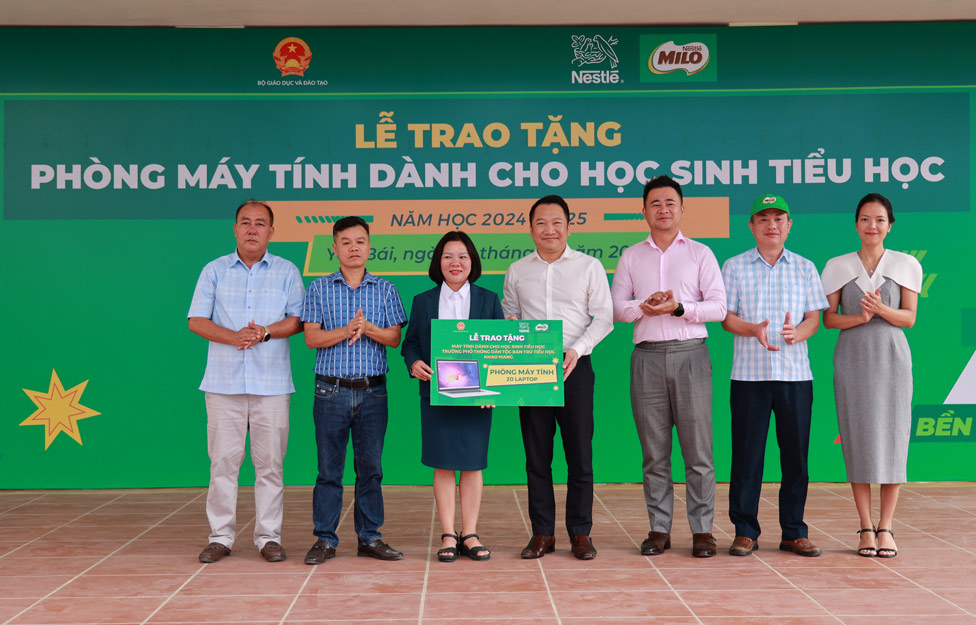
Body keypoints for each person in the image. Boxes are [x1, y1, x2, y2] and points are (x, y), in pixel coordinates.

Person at [610, 176, 727, 558]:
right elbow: (615, 307)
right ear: (644, 211)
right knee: (654, 453)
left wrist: (678, 308)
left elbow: (718, 307)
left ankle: (702, 530)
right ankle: (659, 528)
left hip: (691, 354)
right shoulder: (631, 256)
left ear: (681, 209)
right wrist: (642, 306)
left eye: (670, 203)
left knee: (698, 451)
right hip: (646, 358)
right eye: (655, 203)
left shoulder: (699, 254)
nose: (663, 209)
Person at [188, 200, 305, 564]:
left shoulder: (287, 271)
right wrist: (234, 336)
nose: (252, 229)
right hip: (223, 384)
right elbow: (196, 320)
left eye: (260, 223)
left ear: (272, 231)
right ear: (235, 229)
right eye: (245, 223)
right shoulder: (214, 271)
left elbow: (299, 320)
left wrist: (266, 332)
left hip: (272, 385)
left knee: (270, 465)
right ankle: (221, 537)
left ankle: (268, 537)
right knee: (223, 463)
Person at [502, 195, 613, 561]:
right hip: (531, 369)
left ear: (569, 226)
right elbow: (510, 316)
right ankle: (542, 533)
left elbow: (604, 318)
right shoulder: (517, 270)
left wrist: (576, 350)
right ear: (530, 227)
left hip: (575, 367)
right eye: (541, 223)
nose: (549, 229)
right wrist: (521, 340)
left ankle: (580, 533)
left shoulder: (589, 266)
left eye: (556, 222)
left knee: (580, 456)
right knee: (537, 457)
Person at [720, 193, 828, 558]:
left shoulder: (805, 267)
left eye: (778, 218)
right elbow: (726, 318)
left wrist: (801, 332)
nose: (771, 225)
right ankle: (745, 530)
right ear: (751, 226)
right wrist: (752, 329)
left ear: (789, 225)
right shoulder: (734, 266)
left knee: (795, 456)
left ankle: (794, 531)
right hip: (748, 376)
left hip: (795, 374)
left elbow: (815, 318)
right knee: (747, 456)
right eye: (763, 219)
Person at [301, 216, 408, 564]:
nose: (353, 248)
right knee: (328, 471)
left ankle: (370, 537)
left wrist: (369, 328)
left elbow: (394, 338)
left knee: (371, 469)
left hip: (373, 393)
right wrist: (347, 330)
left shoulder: (386, 288)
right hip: (330, 391)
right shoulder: (318, 288)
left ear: (369, 246)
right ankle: (325, 540)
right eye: (345, 242)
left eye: (360, 241)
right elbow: (311, 338)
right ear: (334, 248)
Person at [821, 193, 921, 559]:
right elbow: (828, 319)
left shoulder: (906, 264)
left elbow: (909, 318)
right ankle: (865, 526)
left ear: (889, 225)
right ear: (856, 224)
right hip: (852, 358)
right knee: (859, 439)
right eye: (865, 219)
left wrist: (881, 310)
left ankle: (887, 527)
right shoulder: (837, 266)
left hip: (893, 358)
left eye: (879, 219)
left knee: (894, 440)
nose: (872, 226)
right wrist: (860, 318)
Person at [402, 231, 504, 562]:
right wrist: (414, 362)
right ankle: (448, 533)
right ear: (438, 262)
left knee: (473, 464)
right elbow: (411, 342)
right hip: (436, 393)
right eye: (448, 256)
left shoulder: (489, 299)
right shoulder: (424, 301)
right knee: (443, 464)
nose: (455, 262)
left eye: (462, 256)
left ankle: (470, 533)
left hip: (478, 397)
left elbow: (500, 349)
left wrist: (494, 388)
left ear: (472, 262)